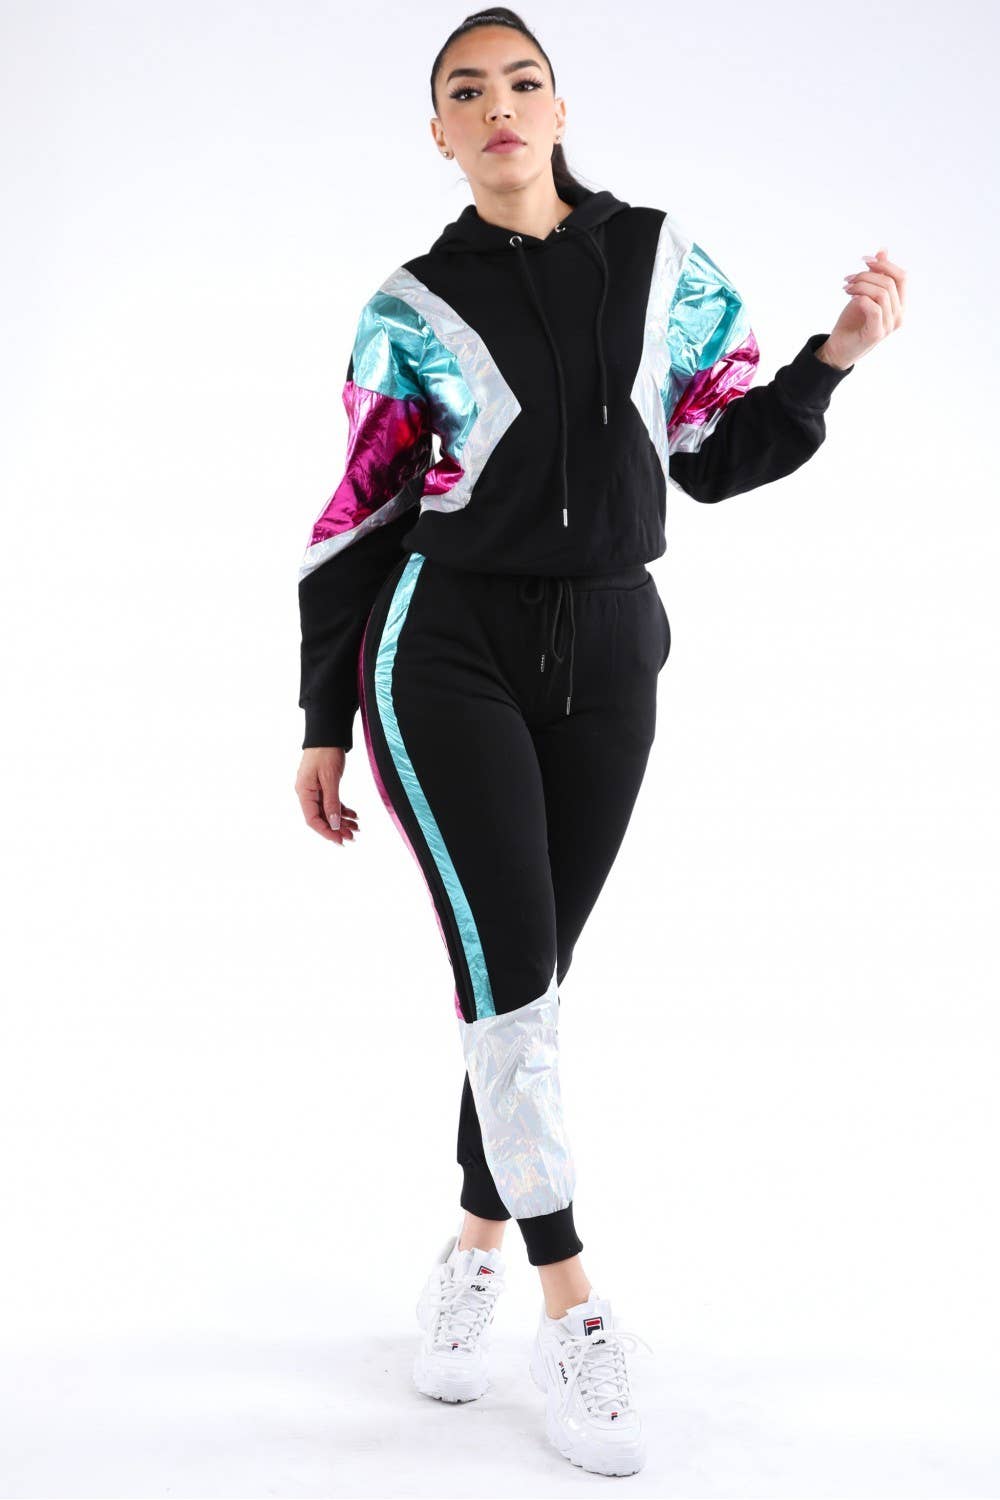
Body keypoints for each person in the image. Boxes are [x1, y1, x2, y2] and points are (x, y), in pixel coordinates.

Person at [293, 7, 905, 1477]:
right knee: (510, 971)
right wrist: (322, 720)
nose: (498, 105)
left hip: (618, 650)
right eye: (466, 92)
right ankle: (570, 1302)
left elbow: (711, 455)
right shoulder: (410, 305)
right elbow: (360, 512)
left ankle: (469, 1240)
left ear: (560, 109)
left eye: (523, 81)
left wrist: (831, 359)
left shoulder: (661, 259)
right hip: (445, 652)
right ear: (438, 133)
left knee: (530, 977)